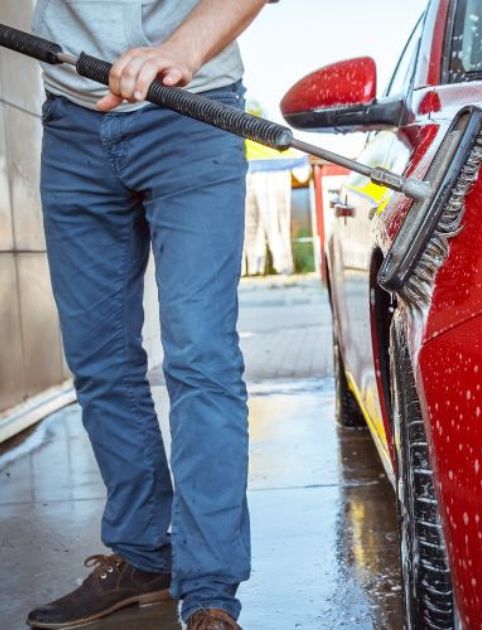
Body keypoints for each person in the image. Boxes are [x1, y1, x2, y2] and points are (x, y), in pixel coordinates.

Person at [26, 1, 267, 628]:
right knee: (100, 363)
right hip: (73, 121)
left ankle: (211, 589)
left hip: (193, 111)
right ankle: (141, 556)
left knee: (200, 358)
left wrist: (182, 50)